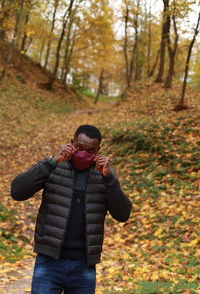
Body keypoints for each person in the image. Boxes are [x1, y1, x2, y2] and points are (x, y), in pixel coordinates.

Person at [11, 124, 132, 294]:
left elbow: (123, 214)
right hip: (49, 262)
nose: (84, 153)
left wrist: (109, 178)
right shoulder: (54, 166)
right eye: (79, 147)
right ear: (71, 143)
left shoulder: (103, 176)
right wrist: (52, 161)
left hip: (84, 267)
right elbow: (17, 192)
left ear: (98, 151)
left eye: (90, 150)